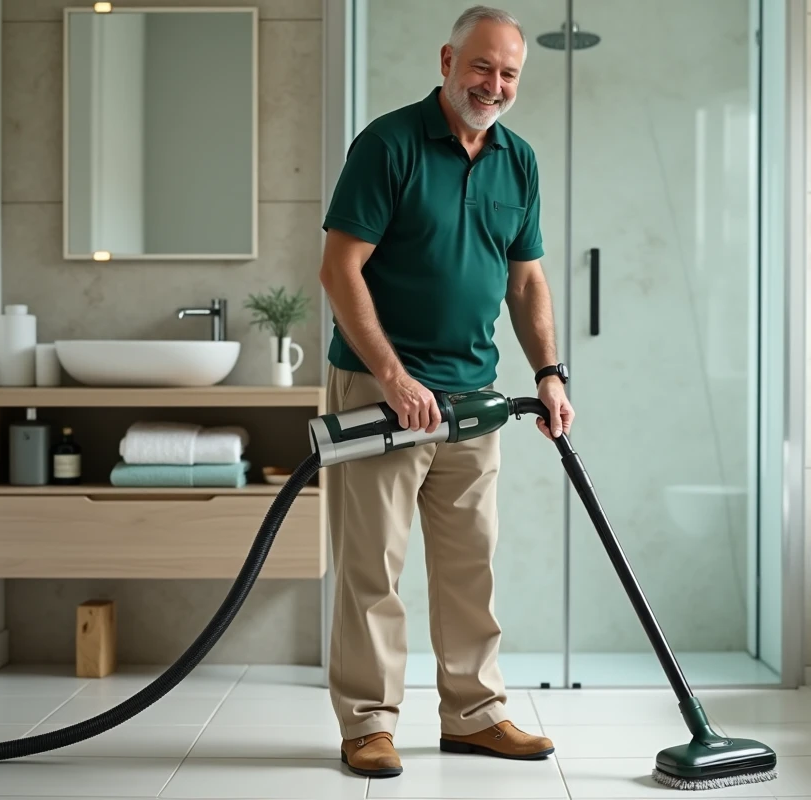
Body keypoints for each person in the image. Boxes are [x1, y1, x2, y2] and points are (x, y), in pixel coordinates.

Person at [317, 4, 573, 779]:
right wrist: (393, 378)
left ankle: (474, 713)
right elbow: (339, 269)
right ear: (446, 60)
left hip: (473, 396)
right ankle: (368, 723)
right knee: (373, 567)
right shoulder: (388, 145)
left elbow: (526, 281)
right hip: (379, 389)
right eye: (481, 67)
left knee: (471, 565)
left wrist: (549, 373)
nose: (493, 85)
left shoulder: (517, 160)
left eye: (508, 74)